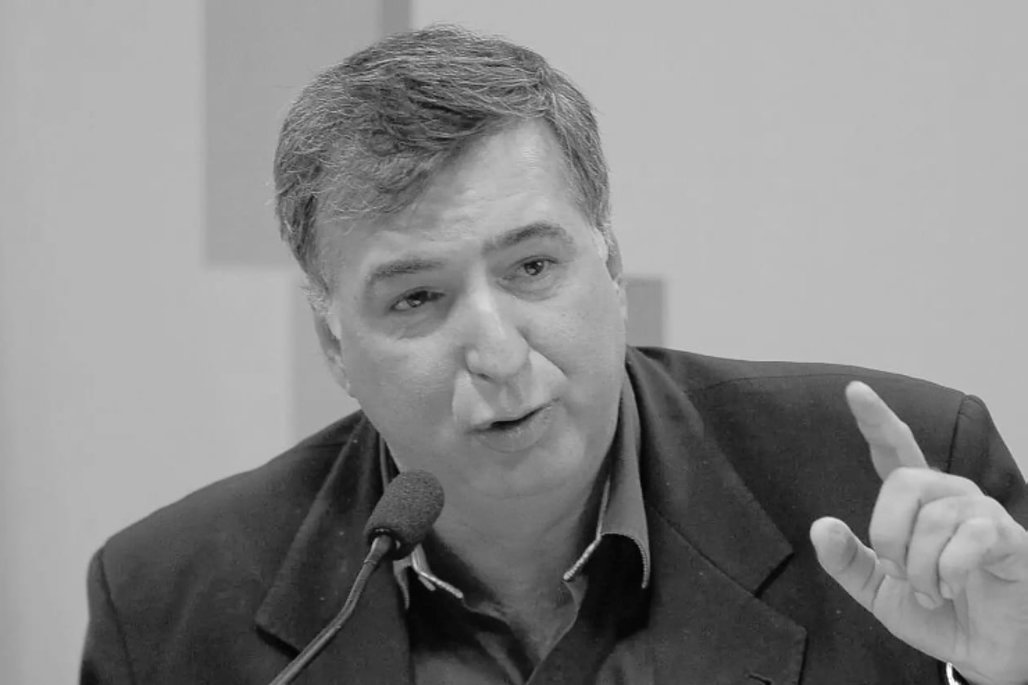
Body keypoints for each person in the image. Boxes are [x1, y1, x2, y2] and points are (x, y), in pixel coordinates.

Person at [81, 25, 1028, 684]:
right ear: (335, 343)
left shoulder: (888, 492)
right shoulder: (167, 608)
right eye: (416, 297)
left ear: (610, 267)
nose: (497, 353)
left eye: (532, 266)